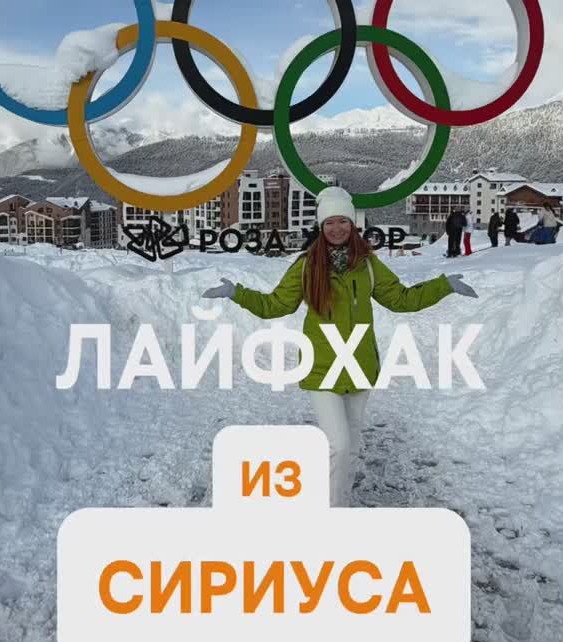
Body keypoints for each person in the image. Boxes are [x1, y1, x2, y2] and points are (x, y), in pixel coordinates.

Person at [201, 186, 478, 506]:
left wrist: (443, 286)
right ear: (321, 226)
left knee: (352, 447)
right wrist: (236, 293)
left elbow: (401, 299)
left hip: (360, 367)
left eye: (342, 221)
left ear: (352, 223)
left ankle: (340, 505)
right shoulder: (306, 265)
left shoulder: (368, 265)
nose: (336, 228)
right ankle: (331, 514)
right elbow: (275, 304)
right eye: (329, 222)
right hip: (322, 369)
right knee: (339, 445)